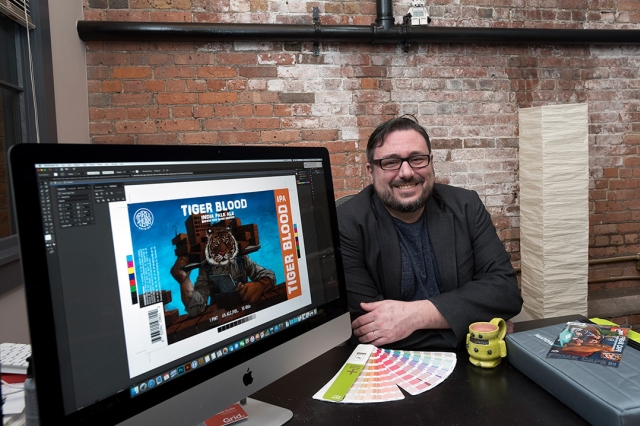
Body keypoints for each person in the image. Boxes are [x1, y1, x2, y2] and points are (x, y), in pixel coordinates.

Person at [337, 115, 523, 349]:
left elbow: (505, 292)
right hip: (392, 366)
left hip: (473, 362)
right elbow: (370, 328)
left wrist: (415, 315)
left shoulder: (466, 206)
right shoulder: (346, 223)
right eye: (391, 162)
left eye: (417, 159)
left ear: (431, 162)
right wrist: (473, 324)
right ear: (371, 171)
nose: (406, 172)